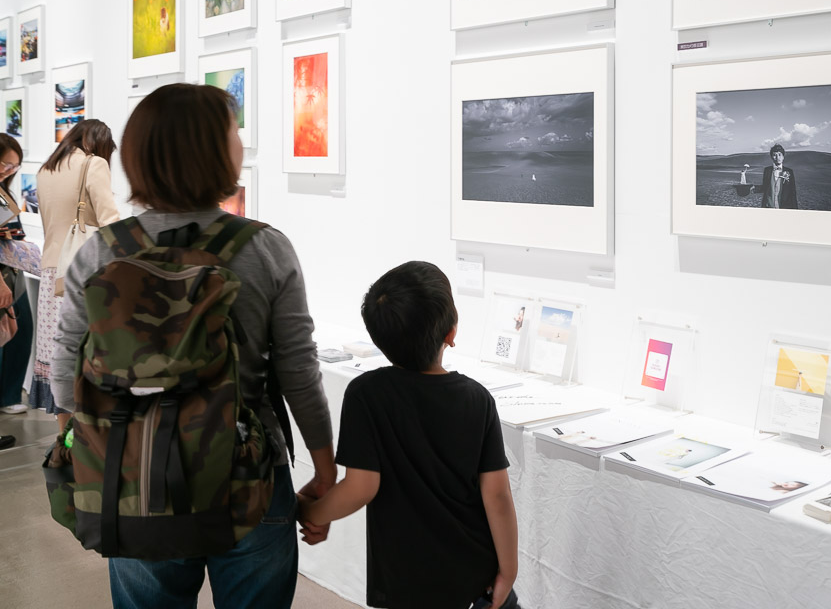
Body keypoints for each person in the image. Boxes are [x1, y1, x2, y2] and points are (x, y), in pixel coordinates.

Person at [49, 84, 337, 608]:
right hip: (247, 472)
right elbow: (298, 372)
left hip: (131, 470)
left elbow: (66, 357)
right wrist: (324, 466)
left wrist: (76, 441)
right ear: (216, 152)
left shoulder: (102, 251)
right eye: (232, 132)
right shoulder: (265, 248)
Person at [297, 261, 520, 609]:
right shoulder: (477, 399)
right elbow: (498, 497)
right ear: (451, 332)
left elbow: (360, 487)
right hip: (476, 578)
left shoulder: (366, 394)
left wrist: (312, 514)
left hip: (405, 580)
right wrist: (509, 570)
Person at [30, 120, 121, 429]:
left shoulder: (45, 169)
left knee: (59, 355)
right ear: (99, 143)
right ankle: (91, 445)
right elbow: (109, 221)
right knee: (88, 353)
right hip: (84, 268)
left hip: (51, 271)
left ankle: (64, 442)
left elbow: (49, 224)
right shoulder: (92, 163)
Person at [0, 134, 34, 423]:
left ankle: (9, 395)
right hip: (2, 277)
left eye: (13, 167)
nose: (6, 170)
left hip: (14, 273)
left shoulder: (4, 191)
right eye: (3, 164)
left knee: (20, 332)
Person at [760, 144, 799, 209]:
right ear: (771, 157)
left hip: (784, 207)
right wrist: (752, 188)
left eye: (780, 155)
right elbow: (764, 187)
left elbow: (793, 192)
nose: (777, 157)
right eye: (774, 155)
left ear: (783, 157)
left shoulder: (789, 171)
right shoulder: (767, 170)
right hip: (768, 207)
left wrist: (795, 210)